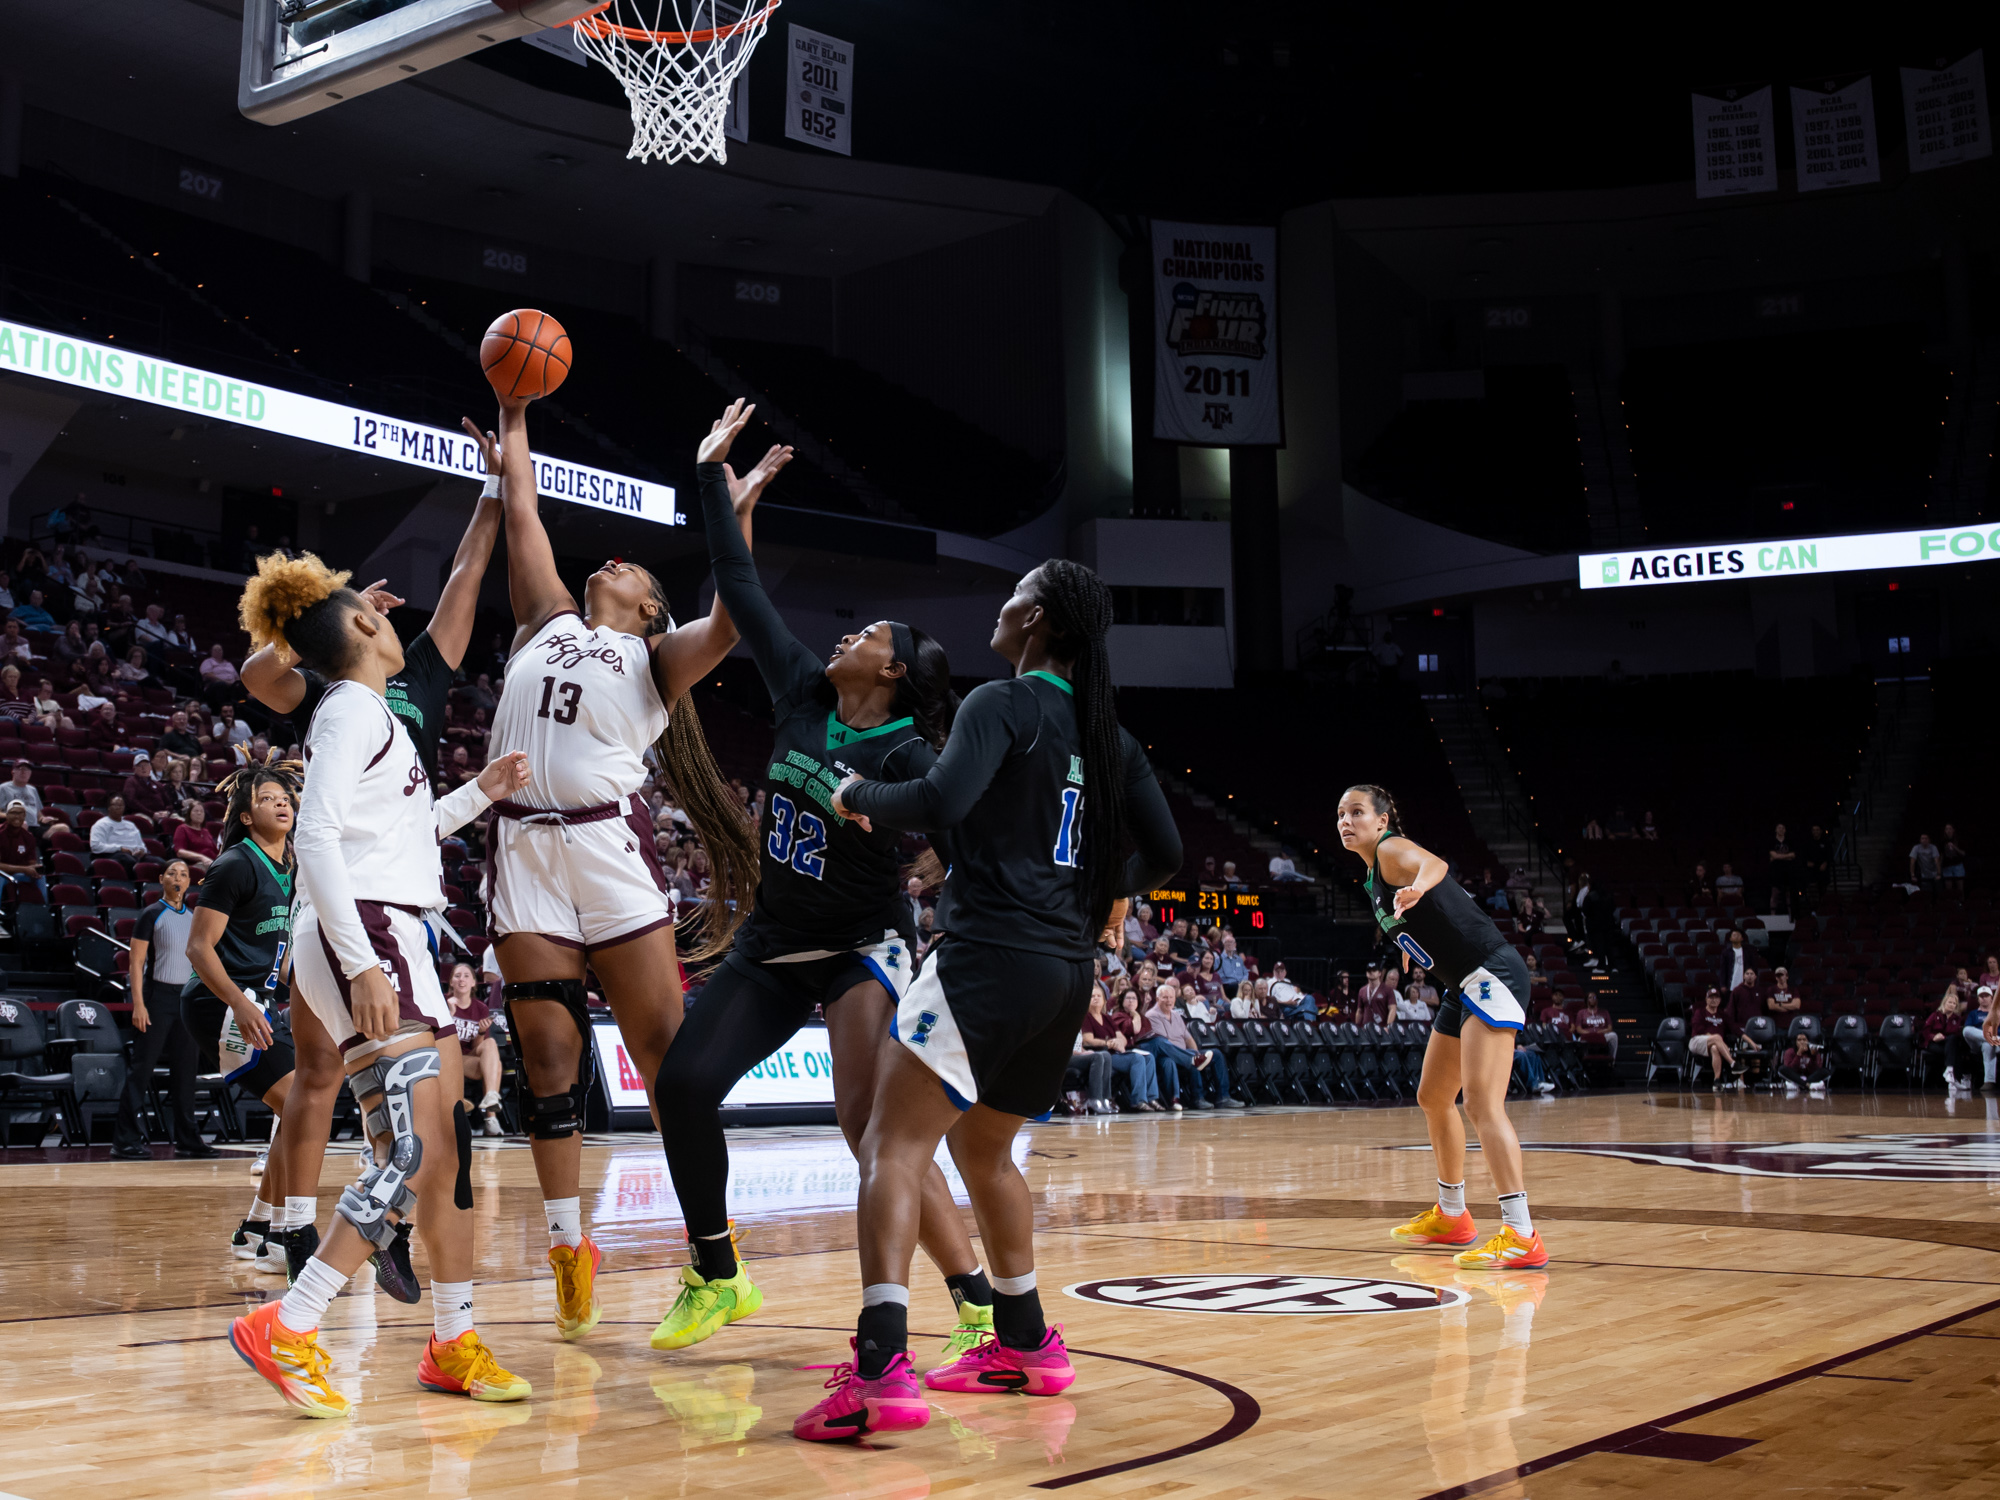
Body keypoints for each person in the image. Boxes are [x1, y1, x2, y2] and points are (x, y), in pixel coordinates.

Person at [803, 557, 1181, 1440]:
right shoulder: (1111, 738)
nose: (998, 610)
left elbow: (939, 797)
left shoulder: (1001, 704)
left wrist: (856, 792)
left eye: (1014, 597)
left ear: (1039, 619)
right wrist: (1093, 893)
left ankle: (879, 1372)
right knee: (984, 1150)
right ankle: (1025, 1342)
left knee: (889, 1149)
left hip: (986, 958)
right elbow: (1161, 854)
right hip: (1064, 975)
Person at [651, 437, 1001, 1364]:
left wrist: (941, 869)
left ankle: (972, 1303)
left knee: (866, 1130)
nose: (850, 634)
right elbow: (740, 580)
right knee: (683, 1087)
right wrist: (711, 480)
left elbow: (973, 829)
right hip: (774, 939)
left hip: (861, 946)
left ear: (893, 672)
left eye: (871, 635)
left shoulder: (910, 758)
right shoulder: (804, 693)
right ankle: (719, 1271)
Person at [480, 394, 764, 1344]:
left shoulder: (655, 658)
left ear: (649, 607)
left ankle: (713, 1258)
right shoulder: (544, 619)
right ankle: (569, 1250)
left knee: (666, 1064)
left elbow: (733, 615)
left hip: (605, 848)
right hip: (519, 846)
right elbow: (522, 508)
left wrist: (730, 500)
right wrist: (515, 412)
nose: (613, 562)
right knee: (547, 1065)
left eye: (634, 569)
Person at [229, 550, 535, 1418]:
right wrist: (361, 961)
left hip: (394, 924)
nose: (398, 629)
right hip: (367, 931)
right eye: (385, 617)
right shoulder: (351, 707)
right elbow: (317, 839)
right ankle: (291, 1321)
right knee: (409, 1154)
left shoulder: (370, 716)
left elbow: (396, 832)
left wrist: (479, 791)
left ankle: (452, 1341)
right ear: (364, 623)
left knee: (442, 1156)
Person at [1342, 785, 1549, 1271]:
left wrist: (1419, 886)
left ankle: (1521, 1233)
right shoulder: (1372, 876)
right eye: (1340, 814)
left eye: (1356, 812)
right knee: (1434, 1096)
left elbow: (1433, 864)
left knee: (1480, 1103)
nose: (1345, 821)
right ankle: (1453, 1215)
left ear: (1383, 819)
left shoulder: (1392, 851)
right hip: (1462, 982)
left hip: (1490, 973)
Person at [179, 775, 315, 1281]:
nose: (280, 804)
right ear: (244, 816)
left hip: (259, 1001)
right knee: (301, 1105)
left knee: (298, 1107)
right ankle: (280, 1236)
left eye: (285, 798)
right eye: (266, 799)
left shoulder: (294, 867)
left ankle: (256, 1229)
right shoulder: (234, 864)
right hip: (219, 1002)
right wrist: (238, 1003)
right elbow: (198, 948)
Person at [110, 860, 215, 1161]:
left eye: (183, 874)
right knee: (141, 1070)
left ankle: (187, 1139)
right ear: (161, 879)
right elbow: (135, 962)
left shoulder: (195, 917)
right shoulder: (151, 914)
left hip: (185, 1000)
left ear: (190, 881)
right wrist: (138, 1004)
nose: (178, 878)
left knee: (186, 1073)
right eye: (172, 873)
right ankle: (124, 1140)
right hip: (156, 999)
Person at [1144, 979, 1240, 1108]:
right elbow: (1164, 1043)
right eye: (1165, 997)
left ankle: (1223, 1096)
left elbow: (1188, 1038)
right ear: (1157, 998)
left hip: (1185, 1053)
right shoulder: (1152, 1015)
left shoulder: (1176, 1015)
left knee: (1216, 1054)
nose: (1168, 1000)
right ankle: (1197, 1098)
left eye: (1171, 997)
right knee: (1192, 1059)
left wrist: (1195, 1051)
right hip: (1166, 1055)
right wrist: (1191, 1055)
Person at [445, 961, 506, 1137]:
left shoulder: (481, 1008)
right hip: (445, 1058)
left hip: (466, 1059)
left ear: (473, 982)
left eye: (466, 976)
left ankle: (491, 1097)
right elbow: (436, 1039)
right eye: (457, 976)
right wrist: (449, 1014)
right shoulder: (442, 1002)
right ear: (451, 982)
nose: (461, 980)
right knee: (496, 1068)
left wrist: (480, 1032)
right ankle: (491, 1119)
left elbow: (478, 1048)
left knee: (490, 1044)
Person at [1082, 986, 1160, 1111]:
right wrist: (1109, 1043)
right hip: (1102, 1057)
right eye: (1092, 996)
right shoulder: (1086, 1017)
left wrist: (1118, 1042)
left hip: (1116, 1054)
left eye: (1099, 996)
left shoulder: (1107, 1018)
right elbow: (1087, 1039)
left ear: (1104, 1000)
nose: (1096, 998)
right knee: (1137, 1059)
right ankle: (1138, 1101)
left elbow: (1122, 1039)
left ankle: (1151, 1098)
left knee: (1149, 1057)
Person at [1688, 987, 1748, 1088]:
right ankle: (1733, 1063)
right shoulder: (1700, 1012)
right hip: (1697, 1041)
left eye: (1716, 998)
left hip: (1715, 1044)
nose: (1714, 1000)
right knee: (1717, 1037)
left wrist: (1752, 1043)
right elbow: (1698, 1029)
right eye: (1711, 998)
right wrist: (1716, 1039)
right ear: (1706, 1000)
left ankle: (1716, 1080)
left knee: (1715, 1048)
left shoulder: (1722, 1014)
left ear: (1720, 1000)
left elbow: (1735, 1029)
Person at [1923, 990, 1974, 1094]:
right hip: (1934, 1043)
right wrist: (1933, 1036)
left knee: (1953, 1041)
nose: (1952, 1005)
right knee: (1955, 1051)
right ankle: (1954, 1080)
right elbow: (1925, 1031)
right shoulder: (1935, 1015)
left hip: (1948, 1043)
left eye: (1954, 1003)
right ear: (1944, 1003)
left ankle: (1950, 1072)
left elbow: (1956, 1033)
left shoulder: (1957, 1019)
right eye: (1949, 1002)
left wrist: (1944, 1036)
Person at [89, 794, 145, 869]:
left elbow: (141, 844)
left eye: (121, 805)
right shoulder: (101, 824)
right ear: (109, 808)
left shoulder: (131, 825)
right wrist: (119, 848)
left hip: (135, 855)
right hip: (113, 854)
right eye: (115, 805)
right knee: (129, 861)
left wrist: (141, 850)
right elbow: (96, 846)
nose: (118, 807)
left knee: (158, 862)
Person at [1575, 992, 1616, 1061]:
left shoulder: (1604, 1012)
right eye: (1590, 997)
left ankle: (1612, 1061)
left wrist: (1601, 1032)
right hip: (1587, 1035)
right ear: (1587, 1000)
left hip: (1602, 1034)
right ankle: (1583, 1062)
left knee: (1614, 1036)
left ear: (1597, 1000)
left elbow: (1610, 1028)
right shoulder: (1581, 1012)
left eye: (1594, 997)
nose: (1592, 999)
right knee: (1579, 1040)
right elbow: (1578, 1029)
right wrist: (1588, 1033)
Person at [1939, 824, 1968, 898]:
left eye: (1950, 829)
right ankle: (1950, 903)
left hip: (1958, 865)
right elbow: (1941, 855)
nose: (1948, 830)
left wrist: (1955, 847)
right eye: (1946, 829)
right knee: (1948, 889)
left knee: (1960, 888)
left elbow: (1963, 853)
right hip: (1947, 866)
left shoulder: (1958, 840)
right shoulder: (1942, 841)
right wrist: (1939, 867)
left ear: (1953, 830)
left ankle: (1961, 903)